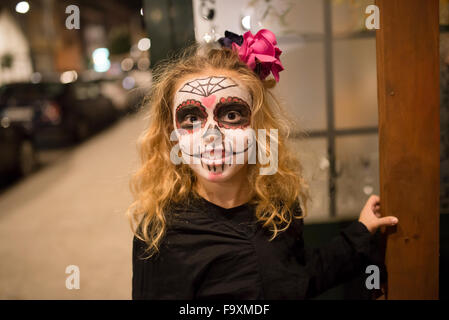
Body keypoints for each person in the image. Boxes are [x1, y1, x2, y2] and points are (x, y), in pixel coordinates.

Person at [127, 29, 399, 299]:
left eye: (232, 115)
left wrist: (361, 232)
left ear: (258, 127)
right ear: (172, 136)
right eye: (191, 120)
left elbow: (300, 280)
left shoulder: (279, 209)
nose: (211, 135)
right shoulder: (160, 236)